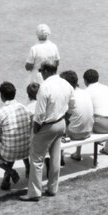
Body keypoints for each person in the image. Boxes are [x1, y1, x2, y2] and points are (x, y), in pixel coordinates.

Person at [20, 62, 72, 201]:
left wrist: (36, 130)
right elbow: (71, 105)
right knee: (55, 157)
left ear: (47, 71)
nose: (41, 73)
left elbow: (40, 113)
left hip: (46, 126)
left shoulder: (45, 87)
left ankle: (34, 192)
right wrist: (65, 121)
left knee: (36, 159)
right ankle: (52, 188)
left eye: (42, 70)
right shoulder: (65, 83)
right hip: (60, 123)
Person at [0, 82, 32, 191]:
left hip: (10, 152)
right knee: (15, 139)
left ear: (1, 96)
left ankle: (9, 172)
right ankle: (27, 167)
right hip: (27, 149)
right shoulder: (25, 108)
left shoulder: (0, 113)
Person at [83, 69, 108, 154]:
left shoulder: (86, 92)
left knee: (84, 117)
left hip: (102, 125)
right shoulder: (106, 88)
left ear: (85, 81)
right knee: (106, 113)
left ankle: (77, 153)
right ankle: (107, 147)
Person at [60, 71, 94, 160]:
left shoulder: (68, 95)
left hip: (75, 133)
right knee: (77, 118)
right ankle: (78, 153)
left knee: (61, 121)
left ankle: (60, 156)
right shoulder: (85, 92)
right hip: (89, 131)